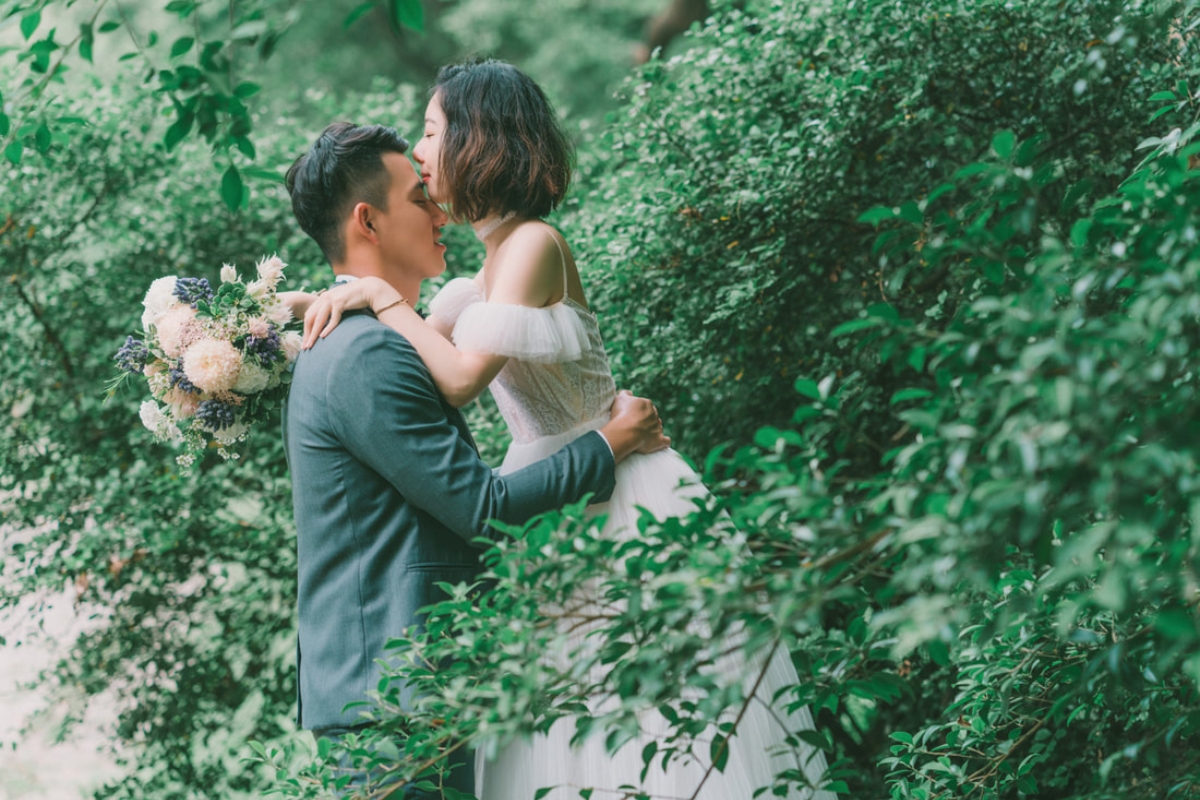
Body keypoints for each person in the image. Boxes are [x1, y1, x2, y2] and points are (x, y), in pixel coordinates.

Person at [292, 61, 836, 800]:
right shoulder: (474, 278)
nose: (423, 153)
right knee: (561, 727)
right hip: (548, 511)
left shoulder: (533, 246)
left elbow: (454, 376)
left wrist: (382, 295)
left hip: (617, 486)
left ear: (478, 140)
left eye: (430, 131)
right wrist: (301, 303)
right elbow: (400, 358)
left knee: (645, 713)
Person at [282, 121, 670, 799]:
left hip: (402, 686)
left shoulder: (371, 335)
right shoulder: (365, 350)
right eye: (418, 196)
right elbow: (481, 508)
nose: (439, 208)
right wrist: (613, 442)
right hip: (389, 692)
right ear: (368, 220)